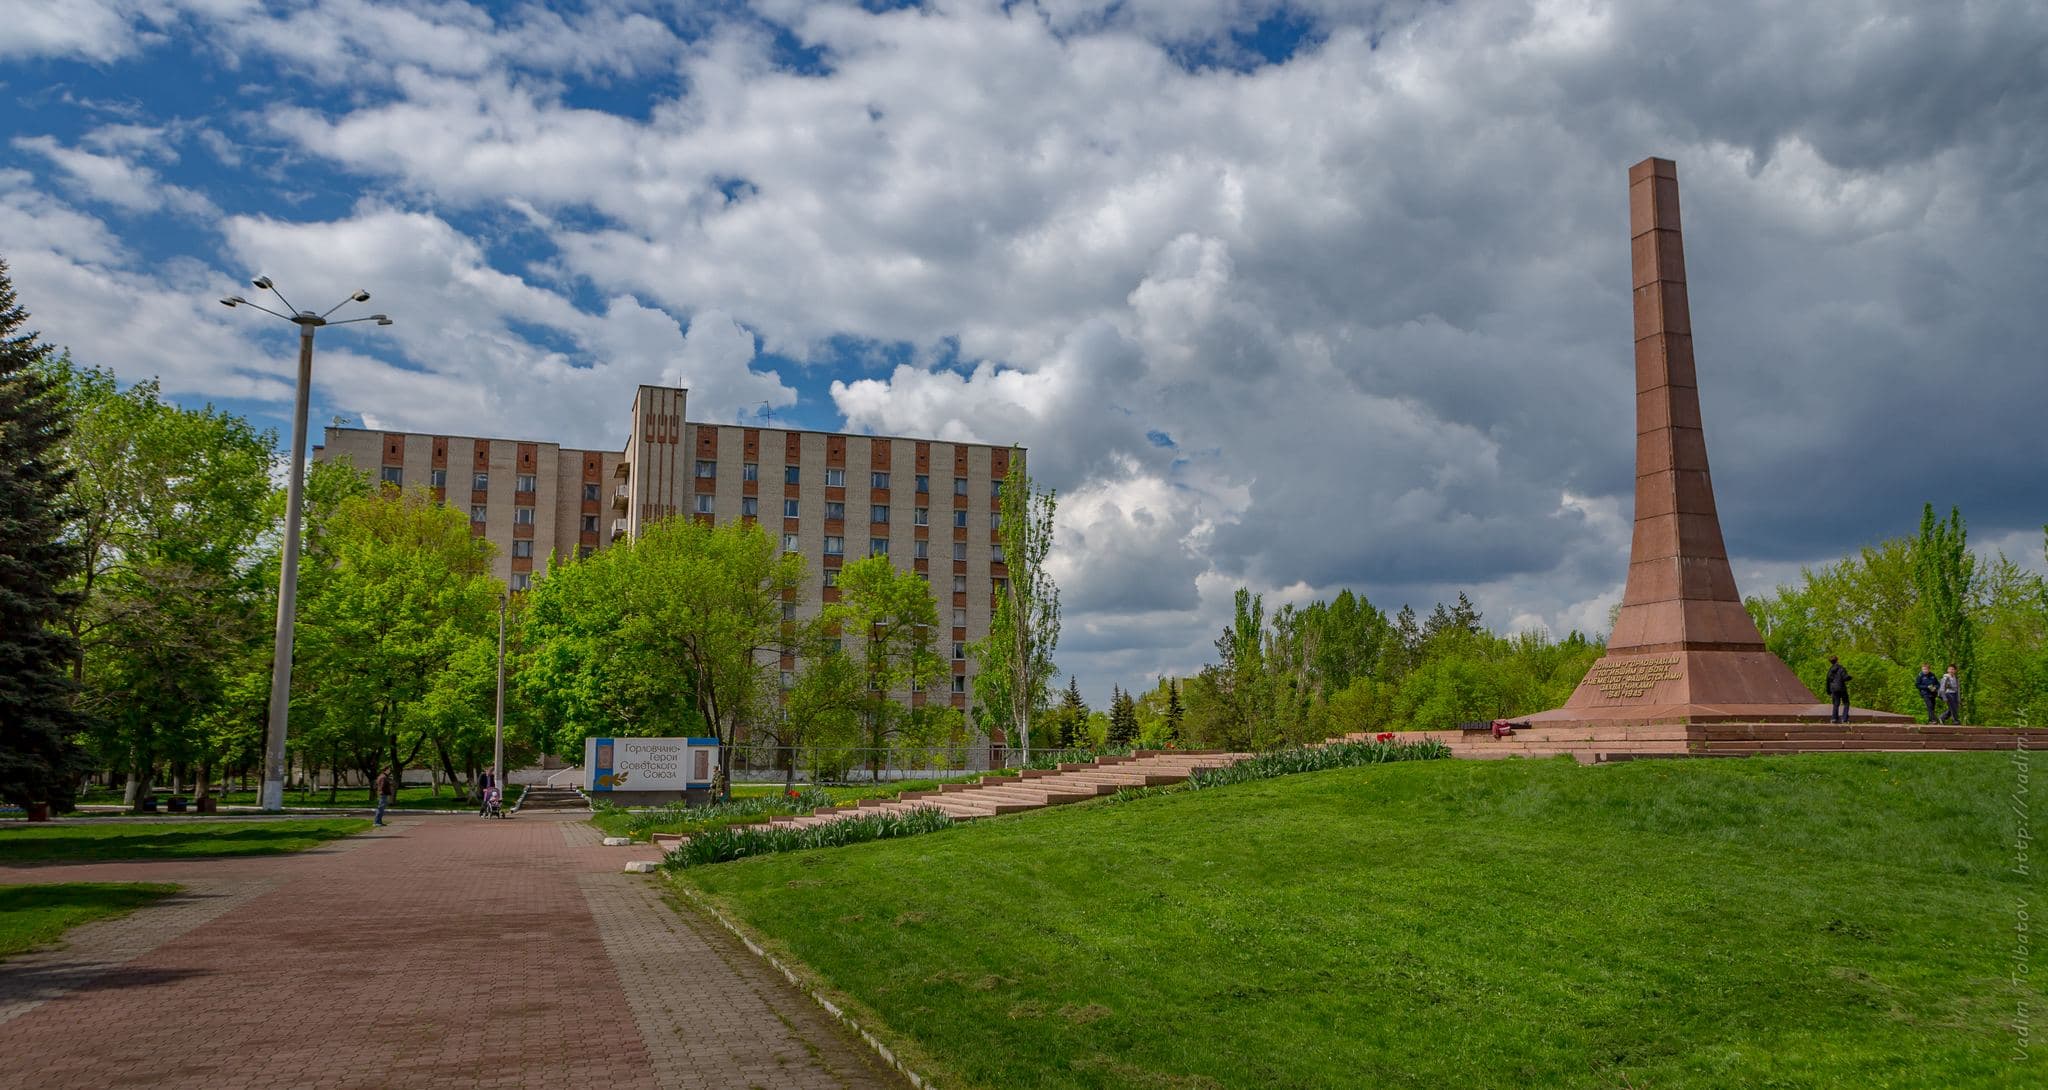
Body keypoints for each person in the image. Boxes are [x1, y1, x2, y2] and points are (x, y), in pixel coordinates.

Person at [1823, 655, 1852, 724]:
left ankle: (1834, 718)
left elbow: (1827, 681)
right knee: (1846, 703)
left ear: (1830, 662)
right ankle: (1844, 719)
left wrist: (1828, 691)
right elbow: (1844, 677)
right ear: (1837, 660)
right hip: (1841, 688)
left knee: (1836, 703)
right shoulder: (1841, 668)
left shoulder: (1830, 671)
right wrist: (1850, 677)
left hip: (1833, 689)